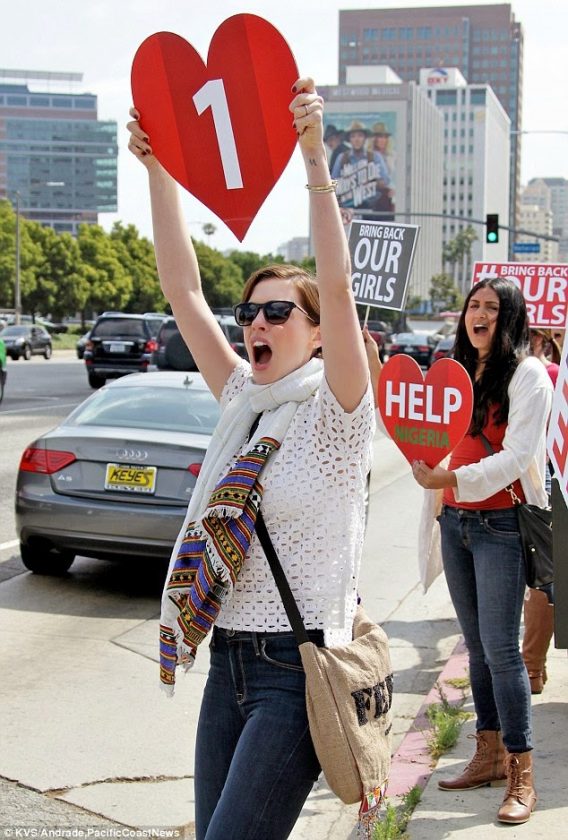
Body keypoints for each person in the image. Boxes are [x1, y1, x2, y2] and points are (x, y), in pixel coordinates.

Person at [127, 77, 374, 840]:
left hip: (295, 675)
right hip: (226, 662)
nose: (257, 323)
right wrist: (159, 173)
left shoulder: (337, 412)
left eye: (278, 311)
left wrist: (312, 156)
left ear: (318, 330)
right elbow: (183, 289)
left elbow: (336, 283)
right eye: (250, 311)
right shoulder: (243, 396)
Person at [412, 278, 552, 825]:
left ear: (510, 318)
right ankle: (488, 753)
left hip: (498, 525)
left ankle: (522, 771)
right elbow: (417, 429)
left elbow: (517, 456)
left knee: (502, 651)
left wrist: (452, 475)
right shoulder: (454, 375)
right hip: (456, 523)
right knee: (475, 647)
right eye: (475, 306)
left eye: (493, 308)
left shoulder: (527, 374)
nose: (481, 315)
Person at [521, 326, 559, 694]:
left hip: (548, 475)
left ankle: (533, 667)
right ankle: (532, 667)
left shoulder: (538, 372)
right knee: (547, 578)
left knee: (546, 578)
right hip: (549, 474)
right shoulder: (547, 373)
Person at [331, 120, 392, 215]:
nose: (357, 139)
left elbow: (386, 180)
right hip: (348, 211)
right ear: (349, 139)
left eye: (360, 135)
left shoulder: (375, 157)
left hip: (372, 210)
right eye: (353, 136)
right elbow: (333, 184)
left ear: (365, 138)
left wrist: (372, 182)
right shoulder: (342, 158)